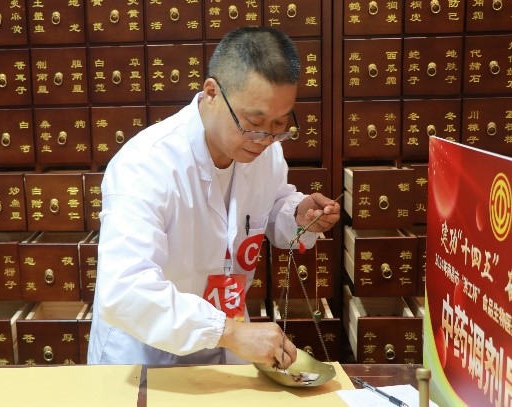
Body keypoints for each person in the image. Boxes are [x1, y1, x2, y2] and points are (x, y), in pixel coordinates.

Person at [87, 26, 341, 370]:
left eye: (280, 123)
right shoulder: (145, 166)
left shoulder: (265, 154)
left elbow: (267, 207)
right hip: (146, 355)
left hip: (226, 341)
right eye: (254, 122)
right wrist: (229, 332)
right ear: (211, 93)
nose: (266, 138)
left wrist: (295, 213)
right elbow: (125, 291)